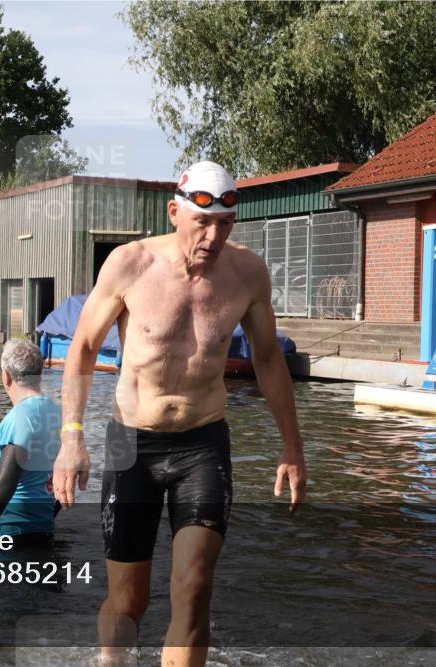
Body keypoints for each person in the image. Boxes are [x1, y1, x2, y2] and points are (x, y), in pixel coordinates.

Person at [52, 161, 308, 666]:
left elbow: (267, 359)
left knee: (193, 586)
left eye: (225, 226)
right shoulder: (131, 264)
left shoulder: (247, 273)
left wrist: (293, 448)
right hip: (131, 441)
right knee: (130, 601)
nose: (212, 237)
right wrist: (72, 437)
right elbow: (82, 348)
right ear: (175, 212)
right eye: (202, 222)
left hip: (202, 442)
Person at [0, 338, 61, 548]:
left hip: (6, 535)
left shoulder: (20, 417)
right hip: (43, 531)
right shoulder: (57, 413)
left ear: (6, 375)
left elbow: (6, 483)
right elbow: (62, 481)